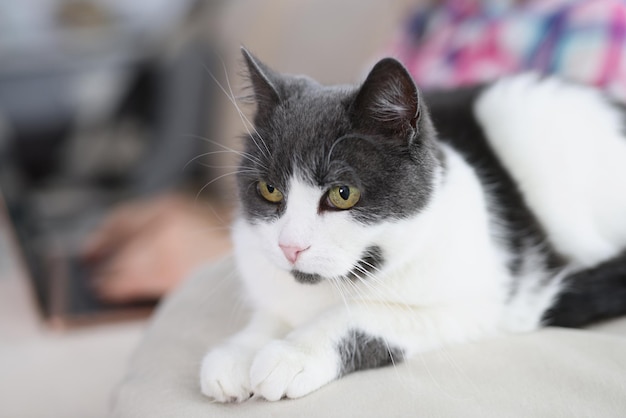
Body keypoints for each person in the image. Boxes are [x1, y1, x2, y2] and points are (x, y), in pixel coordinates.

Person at [88, 0, 626, 303]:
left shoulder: (595, 18)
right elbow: (341, 155)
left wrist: (222, 254)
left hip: (473, 250)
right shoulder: (437, 15)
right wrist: (217, 220)